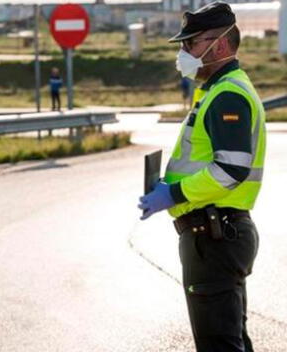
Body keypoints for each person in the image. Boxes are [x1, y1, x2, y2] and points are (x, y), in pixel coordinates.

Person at [138, 3, 265, 351]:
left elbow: (230, 169)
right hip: (216, 234)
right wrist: (168, 188)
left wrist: (174, 194)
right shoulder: (216, 90)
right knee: (230, 339)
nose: (183, 53)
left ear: (219, 45)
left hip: (215, 237)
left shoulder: (228, 95)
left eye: (190, 44)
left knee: (220, 344)